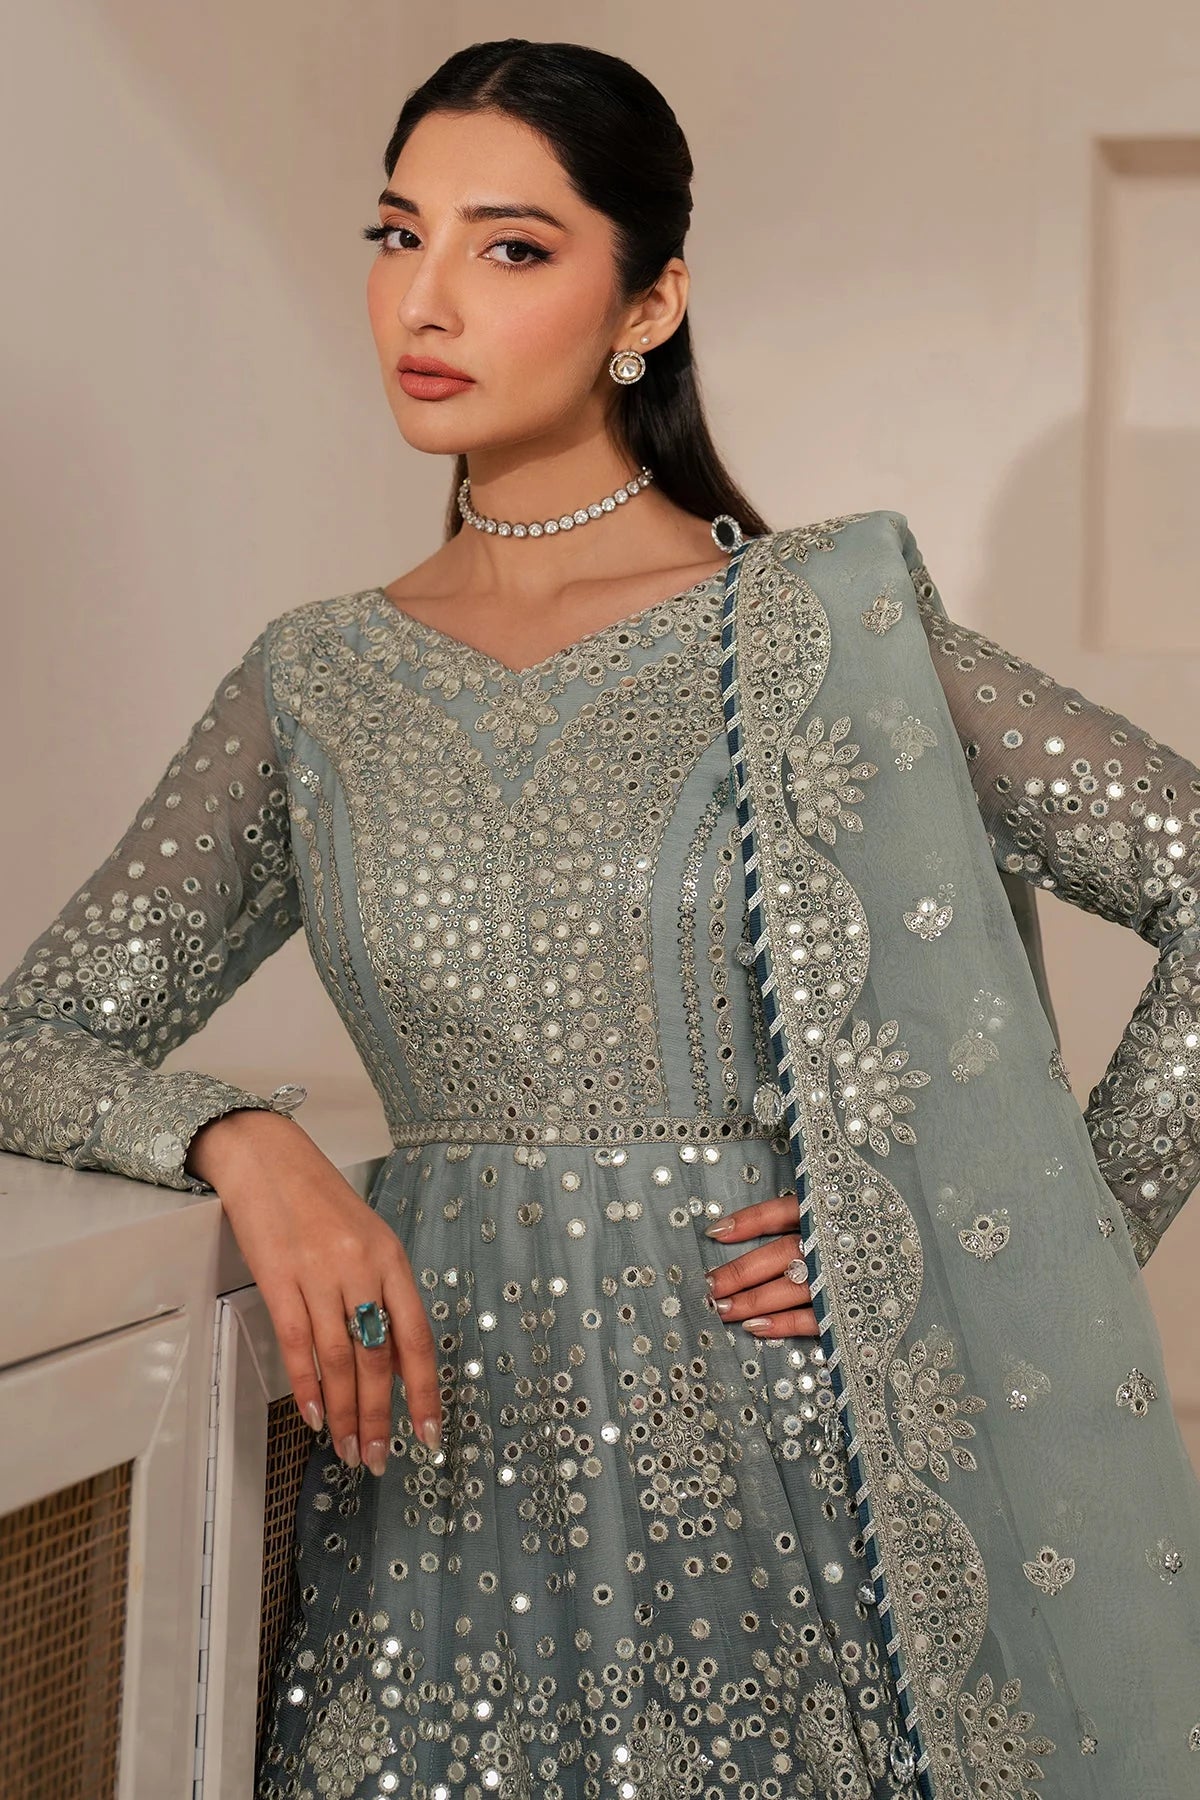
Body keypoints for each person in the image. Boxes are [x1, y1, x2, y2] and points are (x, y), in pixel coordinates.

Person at [4, 36, 1200, 1800]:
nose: (423, 298)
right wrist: (239, 1139)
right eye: (395, 232)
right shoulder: (315, 683)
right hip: (433, 1485)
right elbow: (36, 1037)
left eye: (509, 247)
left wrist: (1027, 1222)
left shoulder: (813, 628)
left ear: (649, 301)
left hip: (785, 1469)